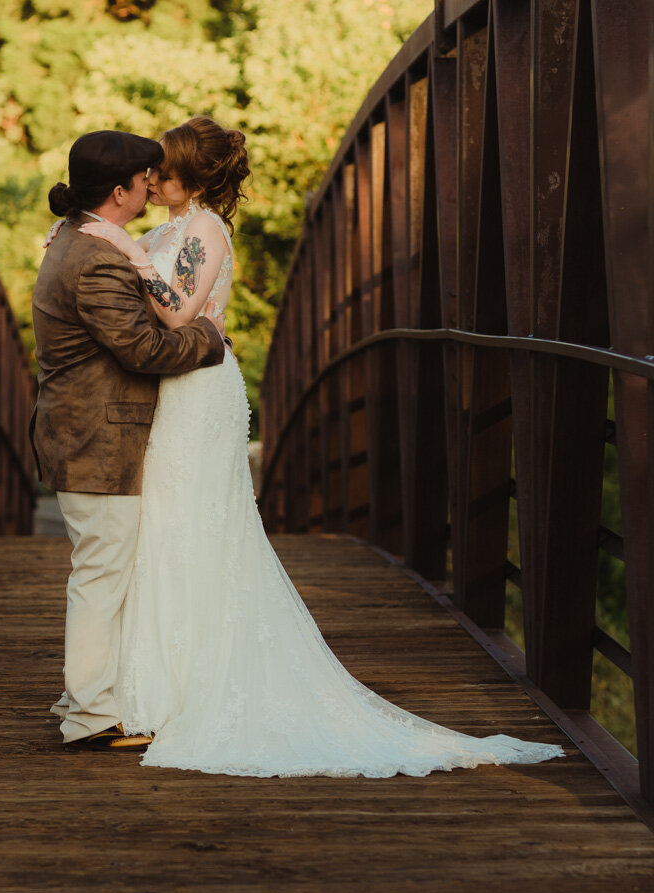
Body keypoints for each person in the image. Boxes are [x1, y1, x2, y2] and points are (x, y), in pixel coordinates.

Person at [79, 115, 565, 778]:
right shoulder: (165, 228)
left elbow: (174, 311)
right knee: (165, 527)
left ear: (194, 175)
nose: (153, 176)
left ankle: (196, 687)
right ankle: (156, 685)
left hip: (199, 396)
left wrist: (126, 253)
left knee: (197, 526)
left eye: (164, 167)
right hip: (167, 391)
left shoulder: (205, 229)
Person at [30, 129, 225, 750]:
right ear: (121, 190)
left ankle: (85, 694)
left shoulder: (77, 238)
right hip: (97, 439)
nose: (151, 186)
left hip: (86, 432)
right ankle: (88, 715)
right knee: (101, 573)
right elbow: (143, 348)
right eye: (145, 179)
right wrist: (214, 340)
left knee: (103, 569)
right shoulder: (97, 261)